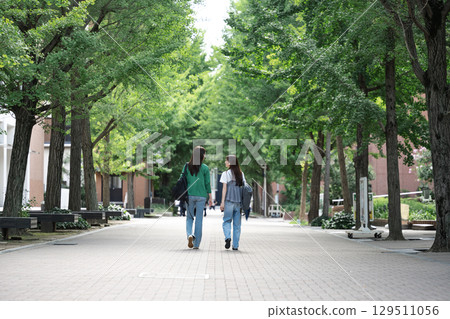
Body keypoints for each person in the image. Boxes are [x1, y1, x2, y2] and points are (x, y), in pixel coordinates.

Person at [184, 146, 212, 249]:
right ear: (202, 155)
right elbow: (207, 183)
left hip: (189, 195)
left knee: (189, 218)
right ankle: (196, 244)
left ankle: (190, 235)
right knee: (199, 219)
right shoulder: (205, 168)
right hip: (201, 196)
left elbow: (182, 179)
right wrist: (210, 197)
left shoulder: (187, 166)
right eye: (204, 154)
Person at [220, 155, 245, 251]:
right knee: (237, 225)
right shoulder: (241, 174)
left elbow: (224, 189)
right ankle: (235, 246)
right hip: (238, 203)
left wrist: (222, 202)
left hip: (229, 201)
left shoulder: (226, 174)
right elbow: (244, 188)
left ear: (230, 163)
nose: (225, 163)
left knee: (226, 221)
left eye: (226, 161)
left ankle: (227, 237)